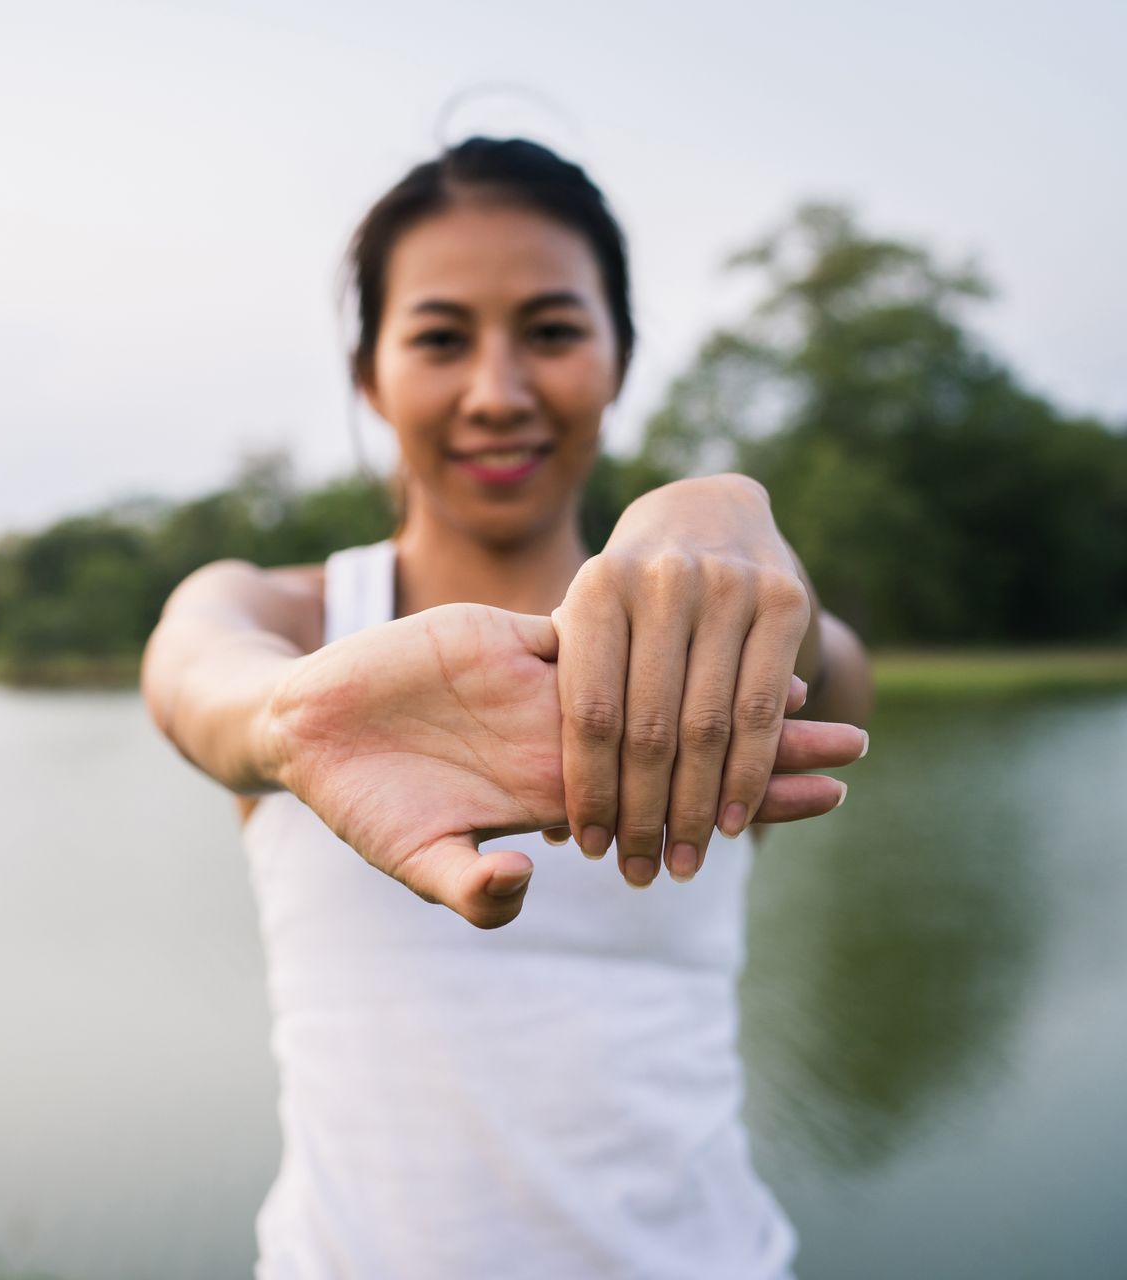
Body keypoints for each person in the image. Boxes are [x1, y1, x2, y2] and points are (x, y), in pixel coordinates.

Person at [139, 137, 873, 1279]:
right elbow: (195, 674)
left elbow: (825, 661)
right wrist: (291, 719)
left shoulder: (728, 646)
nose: (497, 391)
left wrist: (733, 525)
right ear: (371, 372)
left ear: (620, 356)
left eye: (552, 330)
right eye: (440, 337)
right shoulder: (287, 617)